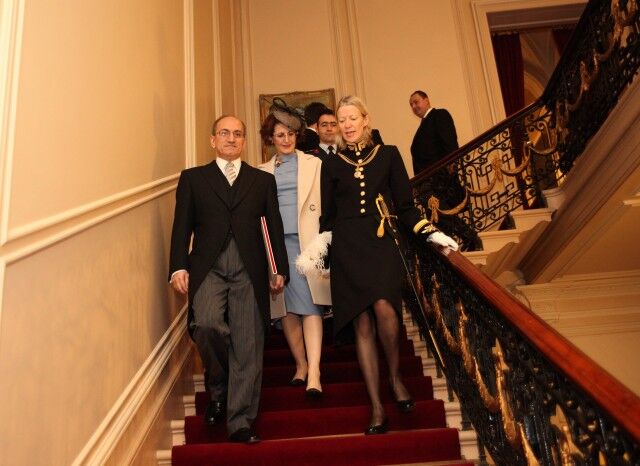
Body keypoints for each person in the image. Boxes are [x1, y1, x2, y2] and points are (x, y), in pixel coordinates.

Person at [319, 96, 457, 435]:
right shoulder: (331, 164)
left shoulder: (389, 155)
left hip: (381, 242)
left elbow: (406, 207)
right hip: (348, 248)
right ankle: (377, 407)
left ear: (365, 119)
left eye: (352, 118)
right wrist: (321, 253)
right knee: (362, 324)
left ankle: (395, 378)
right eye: (342, 120)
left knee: (384, 308)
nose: (347, 125)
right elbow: (328, 215)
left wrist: (431, 233)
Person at [169, 115, 288, 444]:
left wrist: (278, 268)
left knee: (248, 343)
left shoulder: (261, 181)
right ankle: (219, 387)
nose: (231, 138)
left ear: (245, 141)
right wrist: (178, 267)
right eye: (225, 133)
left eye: (238, 134)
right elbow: (181, 226)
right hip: (208, 267)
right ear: (213, 140)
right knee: (207, 325)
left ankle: (240, 422)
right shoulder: (193, 179)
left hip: (250, 268)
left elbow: (273, 227)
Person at [259, 102, 331, 397]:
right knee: (286, 309)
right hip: (278, 248)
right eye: (280, 135)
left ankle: (315, 371)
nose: (286, 139)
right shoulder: (261, 172)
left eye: (290, 133)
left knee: (312, 306)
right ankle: (300, 365)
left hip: (309, 245)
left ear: (297, 135)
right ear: (271, 138)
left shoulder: (315, 163)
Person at [409, 90, 480, 250]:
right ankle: (455, 246)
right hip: (427, 179)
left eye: (416, 101)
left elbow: (449, 140)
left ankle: (470, 237)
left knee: (440, 212)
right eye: (411, 104)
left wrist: (451, 165)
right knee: (437, 215)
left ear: (427, 100)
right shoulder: (424, 124)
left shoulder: (439, 115)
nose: (414, 106)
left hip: (438, 176)